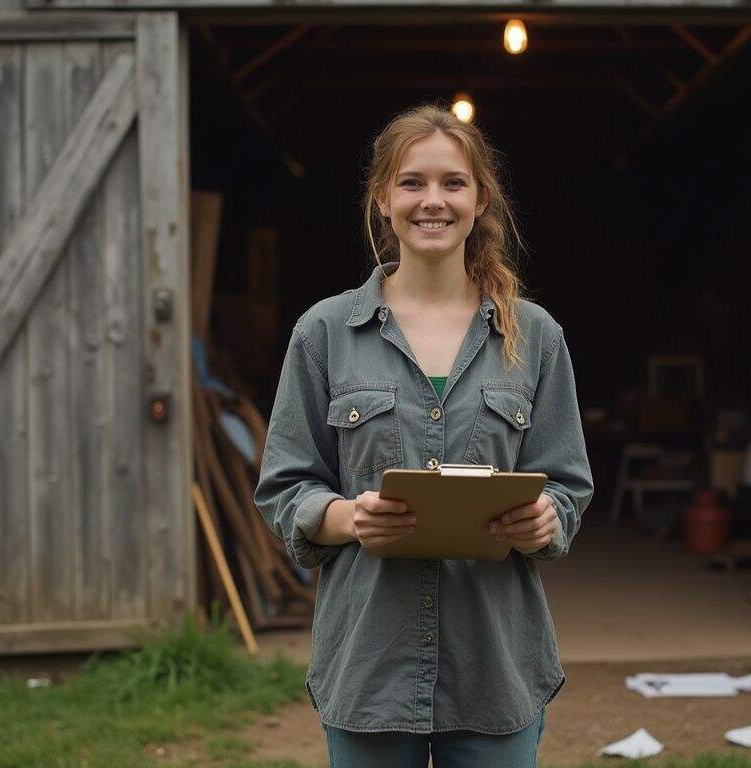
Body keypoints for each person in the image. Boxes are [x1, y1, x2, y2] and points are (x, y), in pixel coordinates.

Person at [253, 103, 594, 768]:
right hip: (369, 665)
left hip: (496, 667)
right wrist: (349, 517)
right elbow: (285, 486)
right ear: (382, 199)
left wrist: (545, 520)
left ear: (480, 199)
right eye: (411, 182)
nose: (431, 200)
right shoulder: (324, 334)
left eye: (452, 183)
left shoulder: (536, 335)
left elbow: (567, 484)